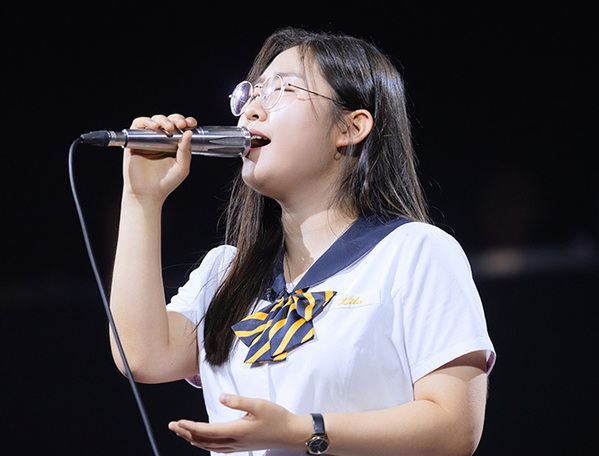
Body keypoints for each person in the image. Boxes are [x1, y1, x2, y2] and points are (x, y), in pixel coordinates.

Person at [109, 27, 496, 456]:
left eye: (282, 89)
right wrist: (141, 200)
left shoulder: (414, 252)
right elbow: (140, 356)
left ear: (351, 127)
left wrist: (300, 430)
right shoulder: (225, 272)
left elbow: (455, 427)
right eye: (252, 93)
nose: (252, 110)